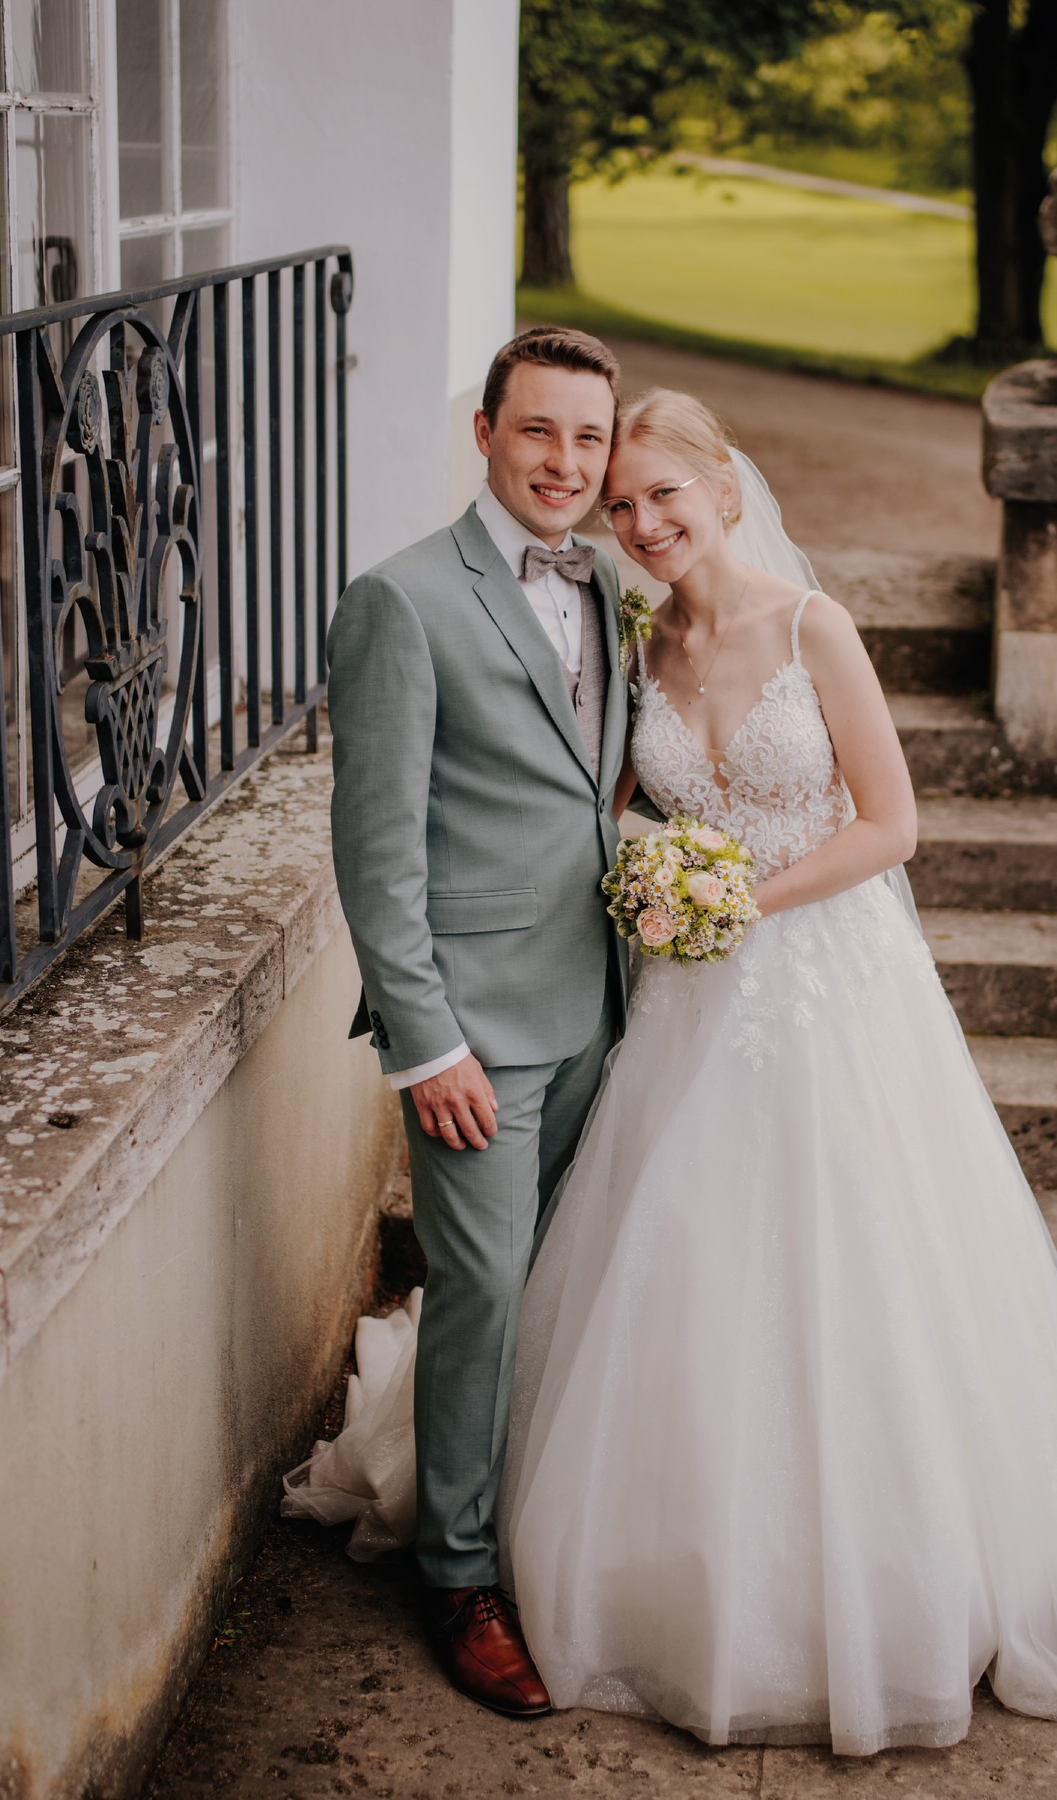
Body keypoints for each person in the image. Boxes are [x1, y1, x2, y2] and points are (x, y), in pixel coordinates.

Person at [291, 387, 1057, 1757]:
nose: (639, 519)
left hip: (827, 987)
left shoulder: (813, 626)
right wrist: (655, 887)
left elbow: (891, 824)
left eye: (661, 494)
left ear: (725, 487)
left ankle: (888, 1568)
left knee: (861, 1273)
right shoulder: (631, 637)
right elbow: (604, 807)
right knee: (670, 1262)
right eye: (622, 500)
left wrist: (738, 899)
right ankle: (597, 1541)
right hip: (687, 1006)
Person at [311, 326, 627, 1718]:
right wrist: (423, 1040)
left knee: (563, 1287)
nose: (565, 463)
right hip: (476, 1033)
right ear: (487, 431)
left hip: (606, 1005)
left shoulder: (614, 583)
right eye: (540, 430)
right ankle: (456, 1573)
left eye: (589, 439)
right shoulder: (401, 600)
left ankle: (536, 1517)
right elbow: (376, 849)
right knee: (485, 1290)